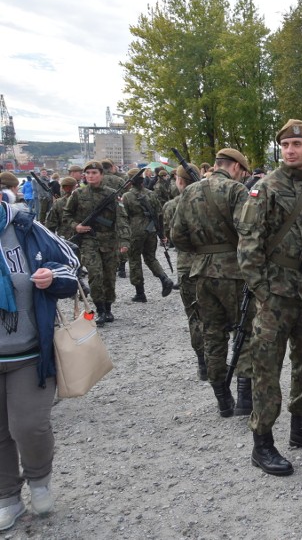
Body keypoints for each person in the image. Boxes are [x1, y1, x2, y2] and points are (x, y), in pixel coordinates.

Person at [236, 119, 302, 476]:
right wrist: (264, 291)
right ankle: (262, 442)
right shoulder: (264, 188)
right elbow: (248, 246)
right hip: (276, 294)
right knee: (267, 367)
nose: (291, 151)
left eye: (298, 144)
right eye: (285, 146)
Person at [0, 200, 79, 531]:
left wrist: (52, 276)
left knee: (28, 426)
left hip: (28, 352)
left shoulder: (25, 226)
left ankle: (39, 480)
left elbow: (71, 265)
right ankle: (7, 498)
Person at [170, 149, 254, 418]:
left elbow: (177, 236)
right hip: (235, 273)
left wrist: (203, 251)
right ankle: (244, 399)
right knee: (245, 332)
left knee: (212, 334)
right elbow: (248, 231)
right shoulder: (237, 191)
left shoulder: (189, 192)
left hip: (201, 273)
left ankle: (222, 400)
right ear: (236, 167)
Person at [63, 161, 130, 325]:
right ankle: (99, 309)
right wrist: (76, 226)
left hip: (109, 240)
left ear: (101, 175)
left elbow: (122, 218)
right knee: (95, 274)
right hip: (89, 240)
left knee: (109, 277)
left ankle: (108, 308)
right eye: (88, 173)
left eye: (94, 173)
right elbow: (66, 215)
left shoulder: (112, 194)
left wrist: (125, 240)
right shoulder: (78, 194)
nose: (91, 176)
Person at [162, 163, 207, 381]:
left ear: (179, 181)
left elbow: (171, 237)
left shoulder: (172, 206)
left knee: (194, 315)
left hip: (187, 264)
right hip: (212, 263)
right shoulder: (210, 200)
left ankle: (203, 362)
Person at [121, 169, 174, 303]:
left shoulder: (127, 196)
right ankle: (164, 278)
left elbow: (124, 216)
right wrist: (161, 233)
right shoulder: (152, 194)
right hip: (151, 229)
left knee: (134, 260)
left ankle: (140, 293)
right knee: (151, 258)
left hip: (135, 231)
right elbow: (159, 214)